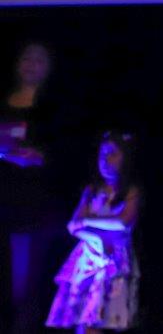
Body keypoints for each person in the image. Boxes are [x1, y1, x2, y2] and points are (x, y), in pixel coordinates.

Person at [45, 132, 141, 333]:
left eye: (112, 154)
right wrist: (95, 238)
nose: (105, 160)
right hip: (88, 260)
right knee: (84, 319)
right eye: (102, 154)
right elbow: (73, 225)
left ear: (126, 158)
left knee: (104, 318)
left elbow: (124, 222)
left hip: (113, 262)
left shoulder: (131, 191)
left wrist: (88, 221)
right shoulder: (92, 190)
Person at [0, 41, 62, 333]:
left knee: (25, 282)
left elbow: (62, 152)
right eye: (27, 57)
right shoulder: (3, 102)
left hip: (33, 203)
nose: (31, 64)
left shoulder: (52, 108)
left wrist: (38, 157)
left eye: (39, 59)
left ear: (48, 68)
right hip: (3, 192)